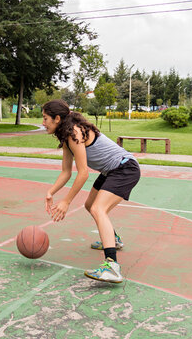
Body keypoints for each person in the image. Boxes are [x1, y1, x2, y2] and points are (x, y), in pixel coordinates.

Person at [42, 99, 140, 283]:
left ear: (57, 118)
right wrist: (51, 192)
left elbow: (83, 173)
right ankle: (113, 239)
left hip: (125, 169)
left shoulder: (74, 133)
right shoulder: (67, 137)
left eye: (45, 118)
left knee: (98, 209)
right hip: (112, 170)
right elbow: (66, 172)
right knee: (90, 205)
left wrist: (66, 201)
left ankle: (112, 266)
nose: (43, 123)